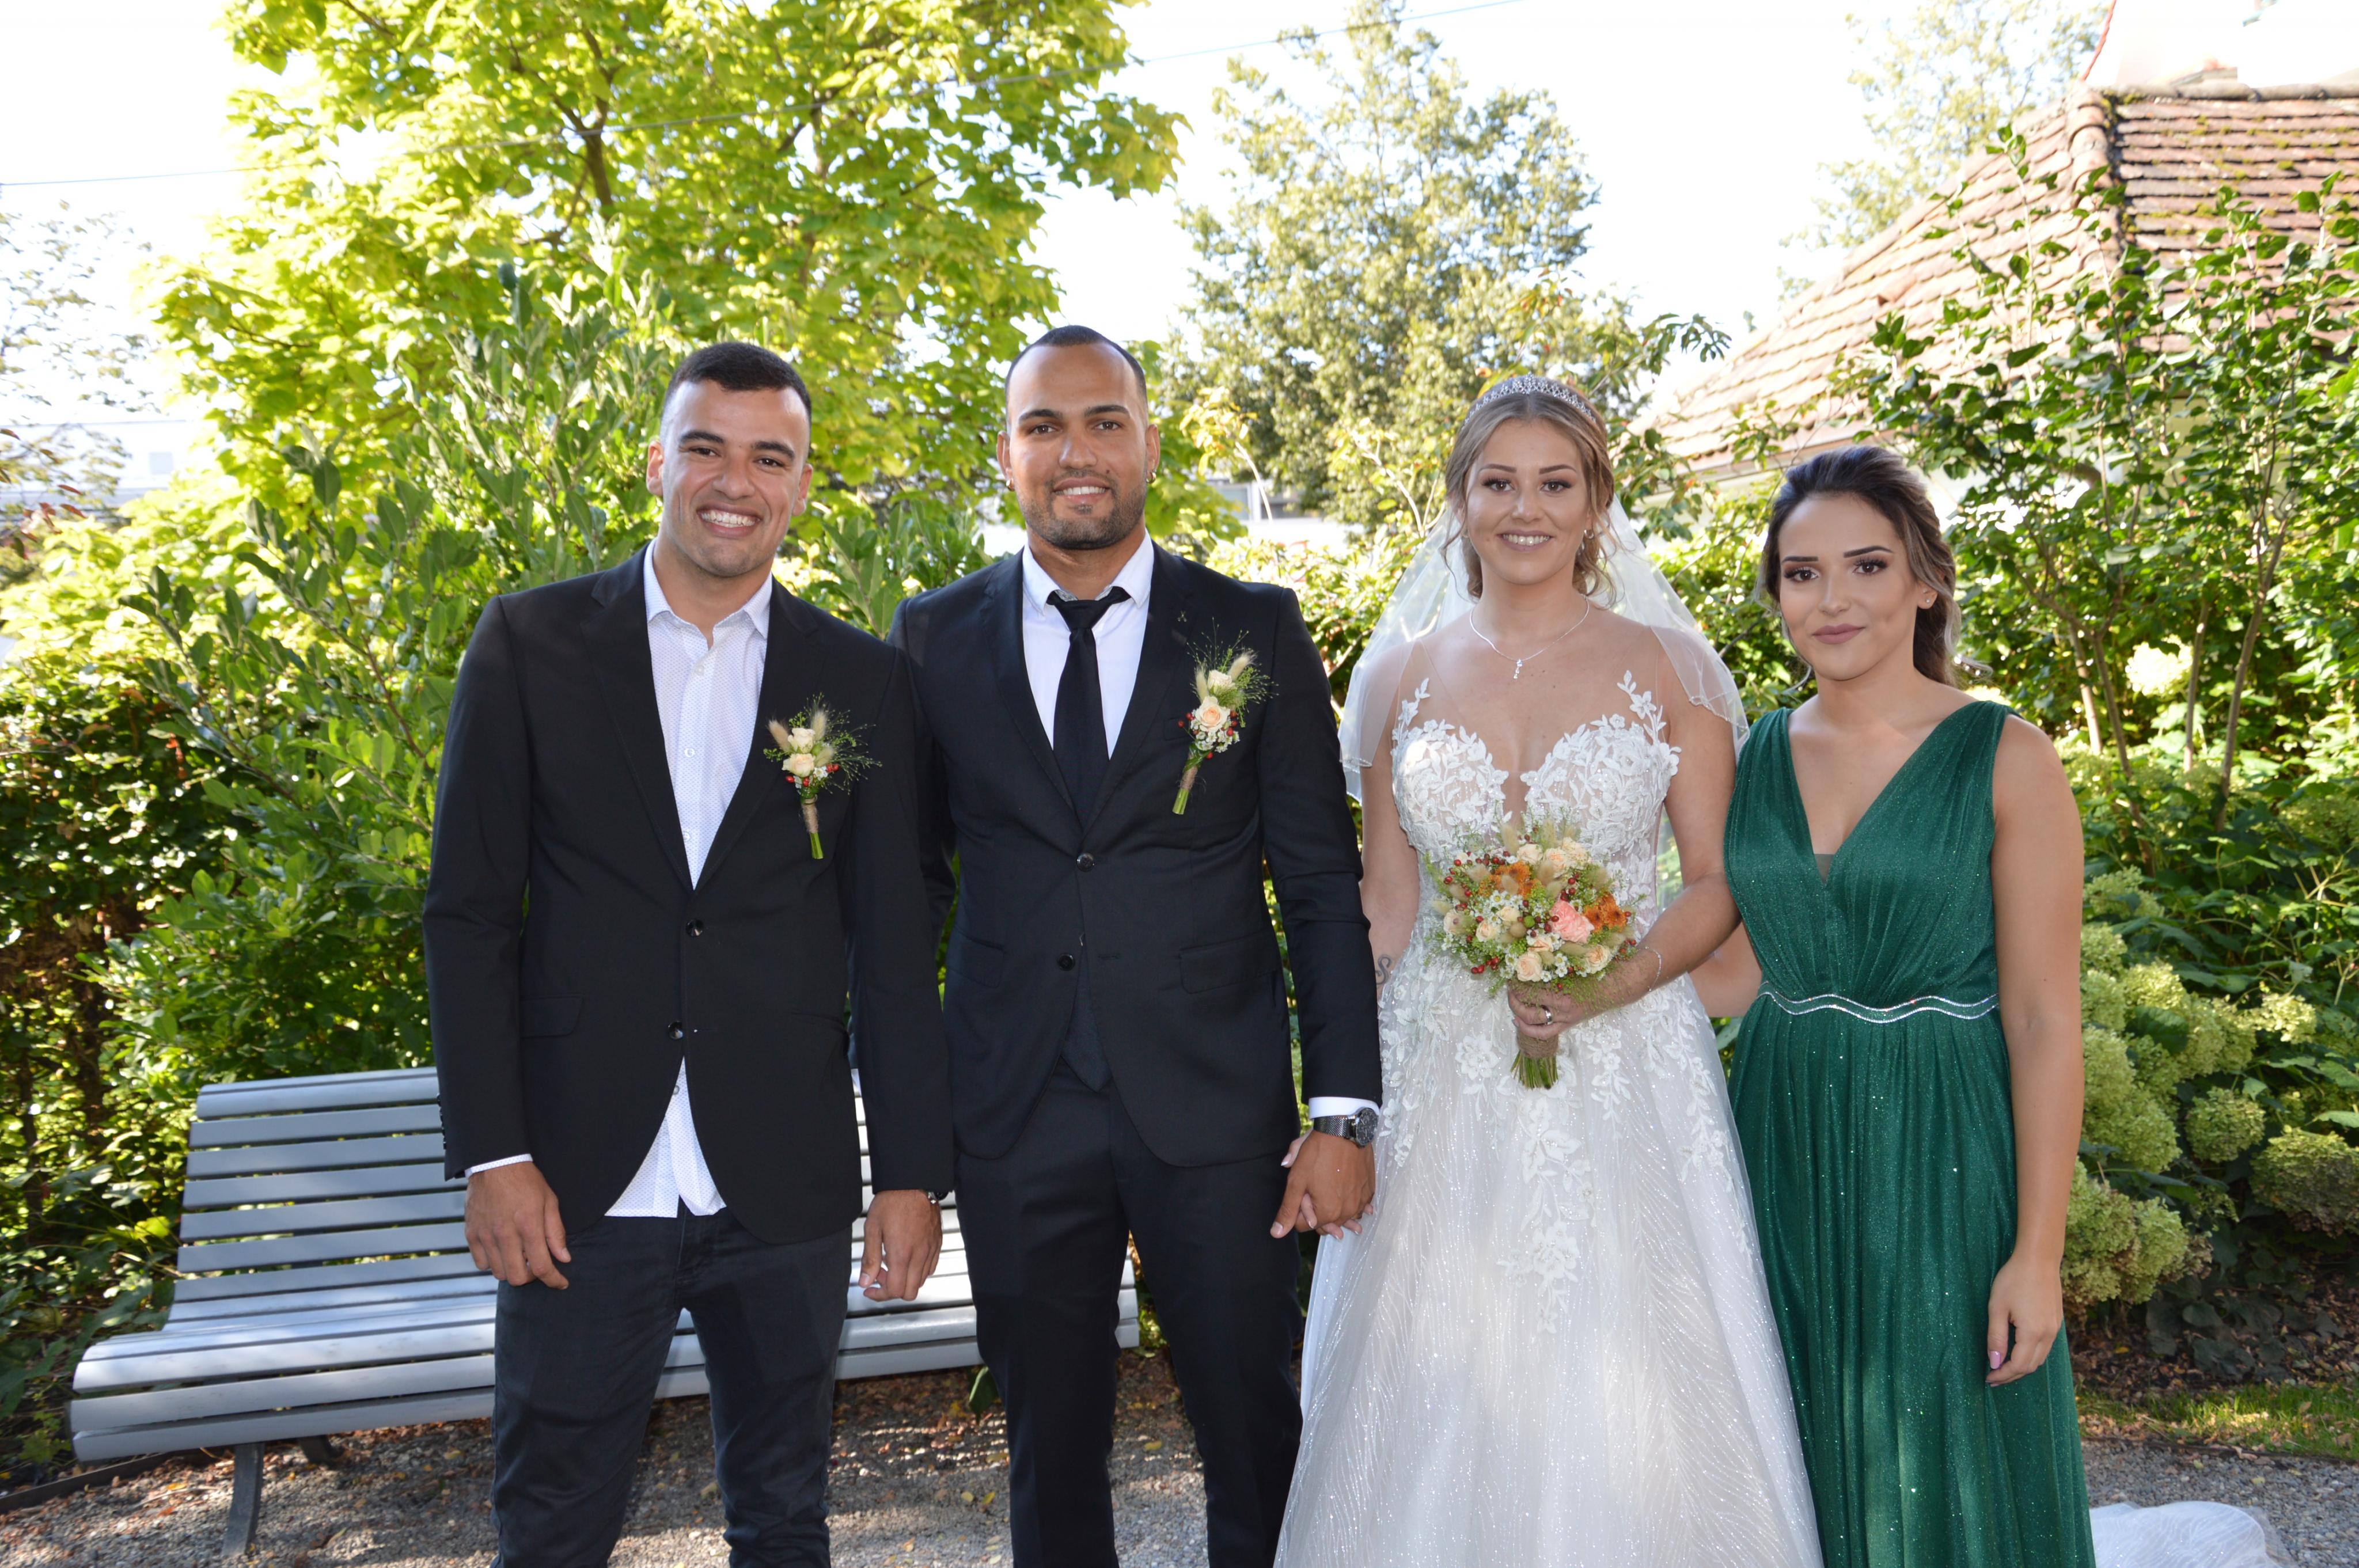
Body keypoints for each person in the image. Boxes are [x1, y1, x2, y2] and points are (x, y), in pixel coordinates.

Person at [424, 341, 954, 1567]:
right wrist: (494, 1153)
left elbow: (891, 947)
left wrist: (910, 1173)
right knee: (551, 1523)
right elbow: (467, 916)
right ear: (659, 463)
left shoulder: (862, 680)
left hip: (783, 1176)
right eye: (707, 449)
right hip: (576, 1182)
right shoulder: (530, 644)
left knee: (784, 1517)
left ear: (801, 486)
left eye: (769, 458)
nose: (735, 482)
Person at [1277, 376, 1821, 1567]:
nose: (1524, 509)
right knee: (1432, 1360)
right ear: (1460, 499)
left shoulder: (1671, 668)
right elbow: (1384, 905)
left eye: (1554, 483)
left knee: (1628, 1353)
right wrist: (1336, 1102)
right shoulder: (1394, 678)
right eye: (1498, 482)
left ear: (1594, 504)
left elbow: (1713, 882)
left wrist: (1606, 985)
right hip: (1439, 1064)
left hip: (1626, 1055)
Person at [889, 325, 1382, 1568]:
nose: (1077, 452)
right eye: (1043, 426)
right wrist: (906, 1148)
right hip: (1013, 1108)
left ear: (1149, 443)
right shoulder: (933, 638)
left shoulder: (1253, 627)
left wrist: (1343, 1113)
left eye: (1104, 421)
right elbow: (901, 902)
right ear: (1006, 454)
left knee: (1252, 1426)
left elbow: (1320, 888)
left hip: (1214, 1106)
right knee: (1048, 1449)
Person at [1693, 443, 2098, 1568]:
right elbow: (1735, 977)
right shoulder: (1754, 754)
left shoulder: (2006, 757)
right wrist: (1570, 950)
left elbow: (2042, 1022)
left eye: (1865, 566)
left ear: (1924, 581)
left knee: (1944, 1444)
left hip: (1941, 1148)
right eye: (1802, 573)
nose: (1832, 599)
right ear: (1776, 595)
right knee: (1793, 1438)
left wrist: (2036, 1254)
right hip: (1780, 1133)